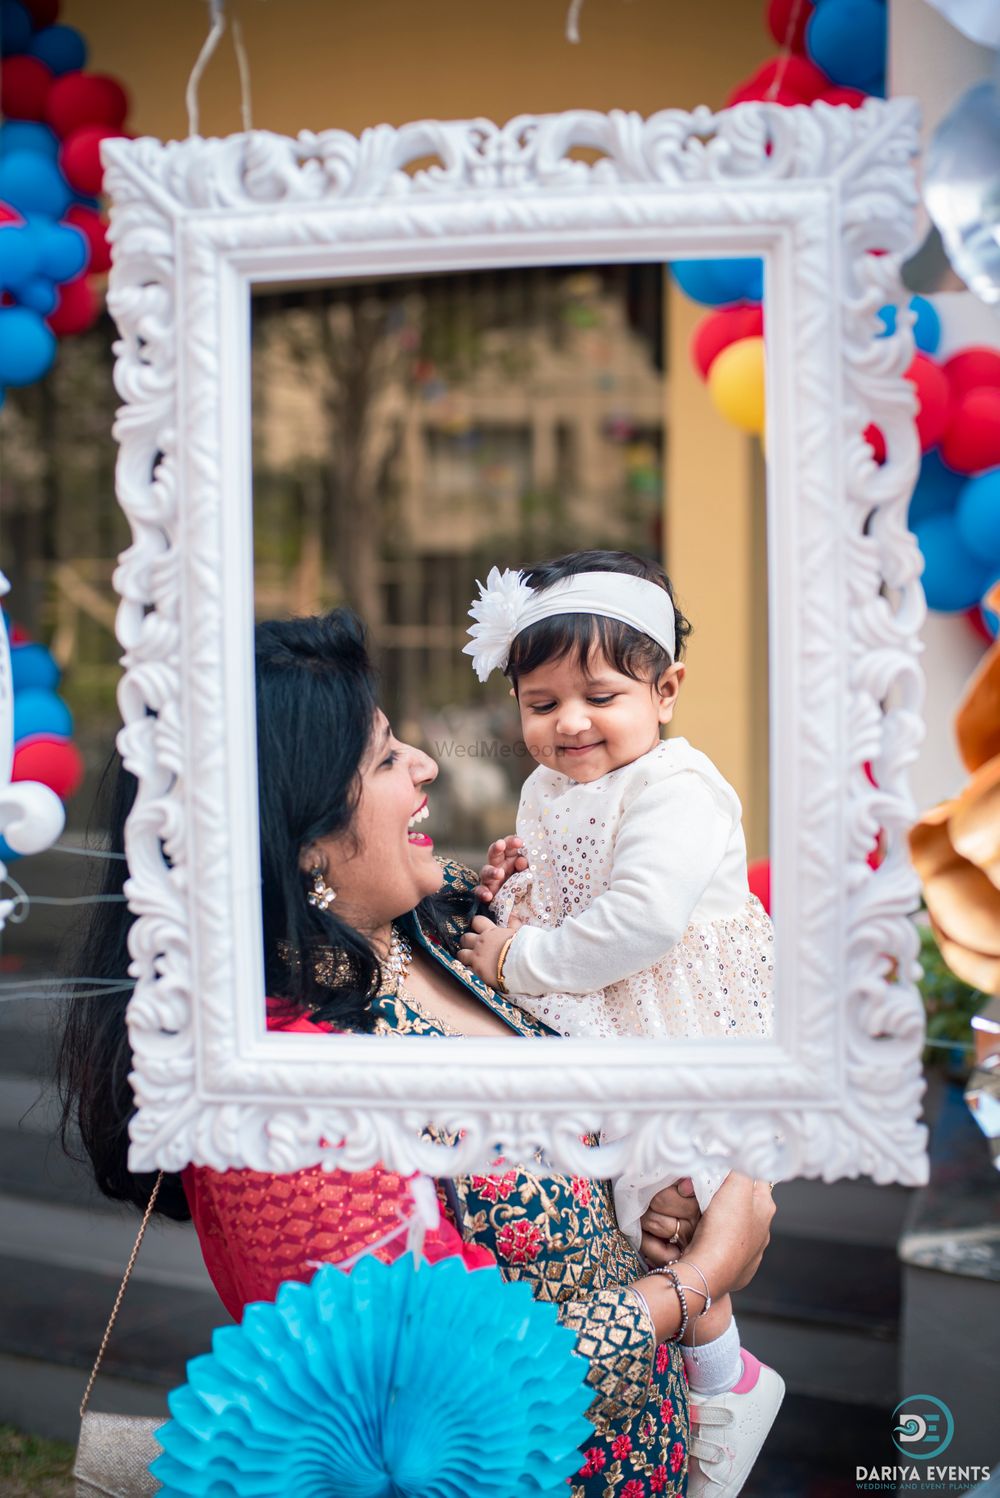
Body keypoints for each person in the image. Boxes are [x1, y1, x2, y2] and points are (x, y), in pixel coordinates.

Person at [59, 610, 775, 1498]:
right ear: (307, 836)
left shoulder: (433, 932)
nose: (427, 764)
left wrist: (666, 1192)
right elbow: (438, 1394)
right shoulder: (289, 1090)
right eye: (387, 756)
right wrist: (700, 1283)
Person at [455, 550, 782, 1492]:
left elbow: (640, 920)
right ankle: (691, 1385)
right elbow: (571, 894)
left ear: (666, 690)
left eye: (599, 694)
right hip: (614, 1025)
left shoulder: (679, 788)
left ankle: (728, 1383)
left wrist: (519, 958)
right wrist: (517, 883)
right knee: (637, 1225)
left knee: (673, 1214)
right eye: (541, 702)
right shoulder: (546, 789)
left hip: (688, 1034)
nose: (569, 723)